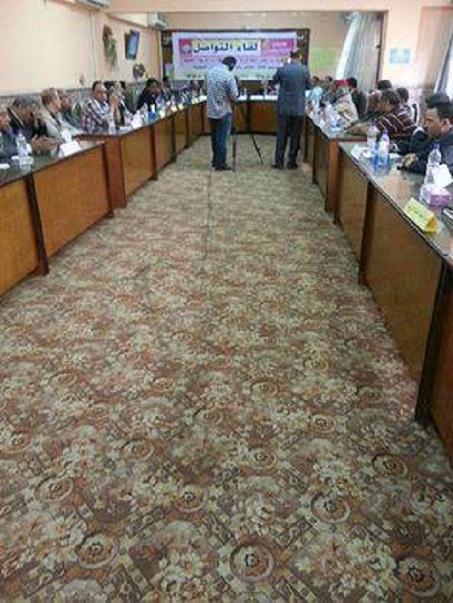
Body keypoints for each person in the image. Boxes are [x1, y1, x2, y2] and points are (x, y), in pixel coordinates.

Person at [270, 49, 311, 169]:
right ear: (300, 56)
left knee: (281, 135)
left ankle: (279, 162)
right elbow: (309, 86)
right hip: (298, 108)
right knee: (295, 136)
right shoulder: (305, 70)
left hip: (283, 107)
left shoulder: (282, 69)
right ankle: (291, 162)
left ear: (290, 56)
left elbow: (273, 82)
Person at [400, 101, 453, 174]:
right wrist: (416, 156)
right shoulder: (437, 137)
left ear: (445, 123)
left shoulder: (450, 142)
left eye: (430, 121)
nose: (425, 125)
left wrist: (412, 164)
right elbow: (426, 151)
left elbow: (441, 169)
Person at [206, 55, 239, 171]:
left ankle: (215, 160)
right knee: (222, 139)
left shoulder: (210, 72)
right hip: (224, 111)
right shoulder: (229, 75)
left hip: (211, 111)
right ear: (231, 65)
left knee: (214, 138)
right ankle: (220, 163)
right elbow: (234, 97)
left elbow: (205, 89)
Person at [349, 89, 415, 139]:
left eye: (380, 102)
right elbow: (374, 123)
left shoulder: (395, 116)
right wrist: (360, 125)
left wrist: (358, 128)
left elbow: (372, 132)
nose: (378, 105)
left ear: (387, 102)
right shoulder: (396, 111)